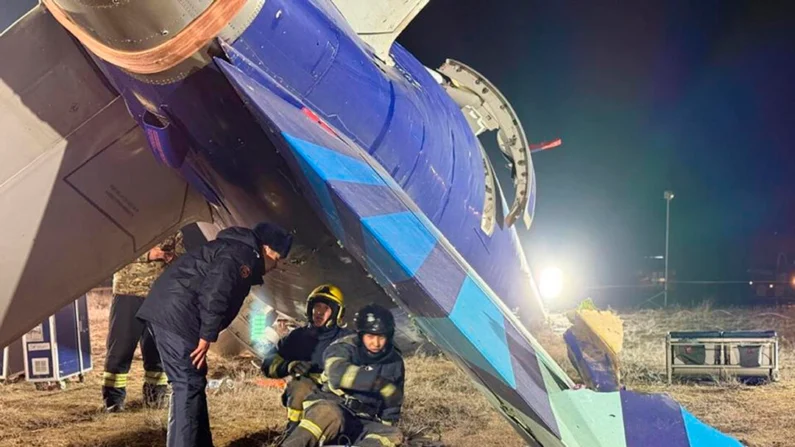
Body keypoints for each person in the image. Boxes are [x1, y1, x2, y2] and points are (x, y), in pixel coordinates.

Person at [137, 222, 293, 447]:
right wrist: (206, 337)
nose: (276, 265)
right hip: (177, 316)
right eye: (278, 258)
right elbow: (215, 293)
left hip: (175, 312)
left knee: (194, 380)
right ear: (267, 249)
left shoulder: (235, 250)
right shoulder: (241, 256)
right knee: (187, 384)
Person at [280, 304, 405, 447]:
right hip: (334, 405)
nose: (376, 343)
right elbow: (337, 374)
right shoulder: (343, 347)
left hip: (364, 420)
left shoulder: (395, 361)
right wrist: (376, 383)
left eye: (381, 337)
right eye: (370, 336)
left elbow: (392, 404)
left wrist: (387, 423)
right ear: (360, 334)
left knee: (392, 434)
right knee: (327, 413)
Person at [103, 231, 184, 412]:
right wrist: (149, 255)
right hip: (128, 292)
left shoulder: (174, 227)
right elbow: (113, 251)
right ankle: (114, 402)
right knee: (120, 348)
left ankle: (156, 399)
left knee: (156, 350)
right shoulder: (129, 224)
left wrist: (174, 257)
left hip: (159, 295)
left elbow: (182, 255)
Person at [261, 284, 352, 434]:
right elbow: (268, 364)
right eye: (317, 307)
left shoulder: (348, 339)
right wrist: (289, 366)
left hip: (338, 400)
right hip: (305, 396)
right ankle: (293, 430)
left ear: (336, 313)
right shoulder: (297, 337)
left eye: (326, 308)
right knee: (299, 386)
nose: (319, 312)